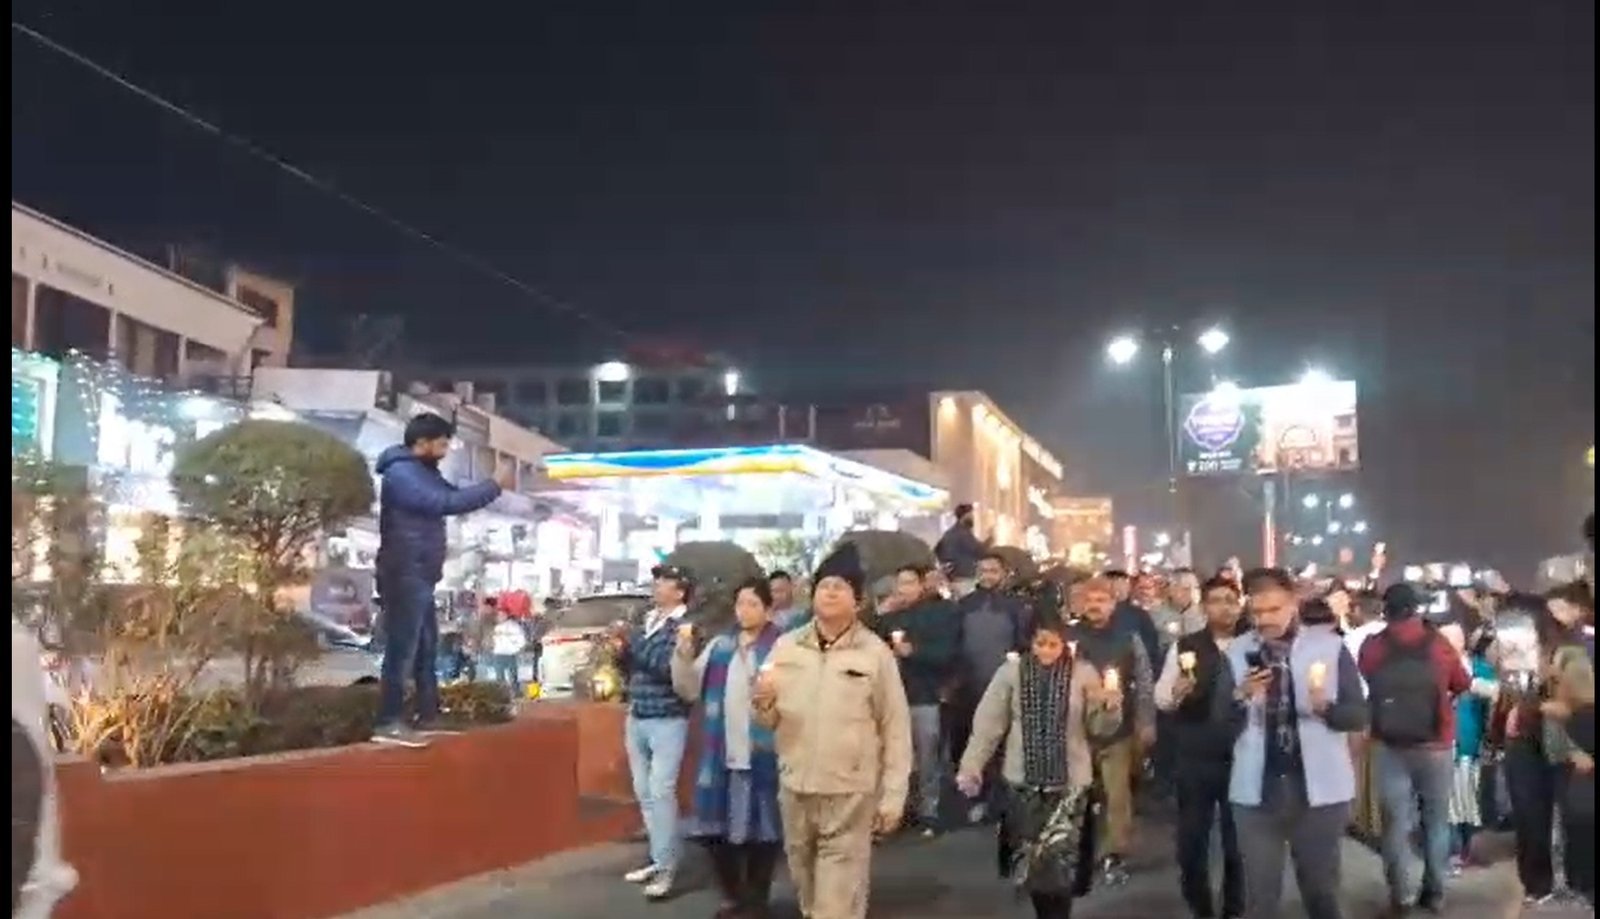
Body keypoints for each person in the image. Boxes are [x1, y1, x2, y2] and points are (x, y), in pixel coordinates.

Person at [752, 543, 912, 919]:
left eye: (840, 587)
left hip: (849, 792)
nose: (830, 592)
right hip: (796, 787)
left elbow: (895, 726)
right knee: (807, 890)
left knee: (837, 900)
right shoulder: (786, 647)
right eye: (824, 585)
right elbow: (767, 721)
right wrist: (763, 703)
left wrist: (893, 795)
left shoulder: (874, 653)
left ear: (858, 600)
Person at [1223, 567, 1366, 919]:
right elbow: (1217, 724)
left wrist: (1326, 709)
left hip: (1319, 792)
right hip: (1256, 792)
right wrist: (1240, 695)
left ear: (1293, 605)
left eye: (1273, 609)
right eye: (1257, 611)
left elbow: (1358, 715)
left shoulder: (1329, 647)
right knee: (1261, 898)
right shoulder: (1236, 652)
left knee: (1322, 893)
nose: (1265, 620)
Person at [956, 620, 1124, 919]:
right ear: (1030, 643)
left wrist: (1110, 708)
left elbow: (1099, 728)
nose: (1046, 651)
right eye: (1040, 644)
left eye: (1053, 645)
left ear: (1064, 644)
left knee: (1061, 866)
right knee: (1034, 865)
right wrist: (972, 765)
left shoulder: (1083, 673)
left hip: (1069, 785)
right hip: (1025, 783)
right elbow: (989, 724)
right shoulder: (1011, 673)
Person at [372, 412, 508, 746]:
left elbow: (454, 496)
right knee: (403, 648)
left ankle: (428, 714)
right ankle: (388, 721)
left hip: (420, 572)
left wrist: (491, 485)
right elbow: (446, 502)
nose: (447, 450)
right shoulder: (402, 474)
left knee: (426, 647)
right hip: (404, 570)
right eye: (442, 444)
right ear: (422, 443)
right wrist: (495, 485)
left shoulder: (424, 472)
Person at [670, 578, 785, 919]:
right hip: (723, 752)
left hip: (765, 752)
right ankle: (734, 895)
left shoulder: (783, 647)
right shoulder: (720, 647)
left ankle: (757, 900)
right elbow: (689, 688)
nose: (744, 611)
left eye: (753, 604)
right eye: (740, 604)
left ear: (768, 609)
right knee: (717, 832)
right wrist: (683, 654)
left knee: (764, 833)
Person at [1357, 583, 1471, 915]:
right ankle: (1434, 893)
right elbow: (1462, 682)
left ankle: (1401, 894)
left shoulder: (1373, 646)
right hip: (1436, 744)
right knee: (1436, 821)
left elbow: (1366, 674)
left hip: (1389, 743)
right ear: (1415, 609)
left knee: (1395, 823)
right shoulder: (1439, 644)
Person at [1155, 574, 1245, 919]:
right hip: (1196, 754)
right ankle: (1199, 904)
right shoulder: (1186, 647)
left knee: (1238, 841)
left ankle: (1234, 906)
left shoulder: (1252, 645)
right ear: (1204, 607)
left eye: (1230, 601)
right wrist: (1175, 693)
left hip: (1242, 755)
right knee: (1193, 839)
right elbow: (1162, 697)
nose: (1224, 608)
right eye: (1216, 601)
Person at [613, 565, 696, 900]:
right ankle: (658, 856)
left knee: (662, 792)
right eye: (657, 580)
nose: (657, 586)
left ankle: (667, 867)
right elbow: (634, 665)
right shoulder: (649, 621)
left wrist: (631, 639)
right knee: (645, 793)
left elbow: (664, 665)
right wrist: (622, 653)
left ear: (680, 591)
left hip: (668, 718)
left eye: (665, 582)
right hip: (638, 713)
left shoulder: (685, 627)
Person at [1068, 575, 1155, 887]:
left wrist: (1146, 721)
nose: (1094, 605)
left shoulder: (1128, 637)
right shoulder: (1069, 638)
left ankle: (1114, 854)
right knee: (1076, 795)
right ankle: (1075, 851)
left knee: (1117, 796)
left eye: (1101, 600)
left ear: (1113, 604)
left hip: (1119, 729)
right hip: (1076, 730)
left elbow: (1144, 681)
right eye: (1089, 600)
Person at [876, 564, 961, 836]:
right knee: (894, 758)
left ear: (922, 585)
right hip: (892, 697)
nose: (904, 589)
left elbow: (947, 653)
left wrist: (913, 652)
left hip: (925, 695)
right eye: (900, 583)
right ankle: (896, 812)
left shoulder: (939, 613)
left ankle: (928, 811)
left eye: (910, 583)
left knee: (927, 757)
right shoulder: (890, 617)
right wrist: (880, 614)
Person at [950, 552, 1033, 822]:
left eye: (993, 570)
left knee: (1006, 746)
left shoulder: (1017, 606)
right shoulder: (964, 605)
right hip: (970, 685)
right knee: (974, 743)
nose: (987, 575)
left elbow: (1024, 642)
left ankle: (1003, 800)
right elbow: (955, 643)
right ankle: (976, 797)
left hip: (1005, 685)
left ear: (1004, 573)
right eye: (983, 570)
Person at [1441, 622, 1496, 872]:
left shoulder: (1480, 668)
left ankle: (1464, 848)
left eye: (1455, 639)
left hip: (1469, 742)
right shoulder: (1433, 668)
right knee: (1448, 802)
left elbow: (1494, 701)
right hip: (1442, 744)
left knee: (1468, 800)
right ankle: (1452, 851)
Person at [935, 503, 987, 598]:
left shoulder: (950, 533)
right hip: (965, 578)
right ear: (965, 516)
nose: (973, 518)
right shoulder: (963, 534)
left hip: (953, 579)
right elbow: (980, 551)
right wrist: (991, 539)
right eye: (971, 515)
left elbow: (938, 552)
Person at [489, 608, 528, 697]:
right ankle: (501, 694)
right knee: (499, 675)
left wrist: (517, 649)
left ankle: (515, 692)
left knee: (513, 675)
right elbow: (492, 640)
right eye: (499, 615)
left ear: (506, 615)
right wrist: (492, 647)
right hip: (498, 654)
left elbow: (521, 639)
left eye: (502, 615)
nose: (500, 617)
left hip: (510, 654)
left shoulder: (514, 626)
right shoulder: (496, 628)